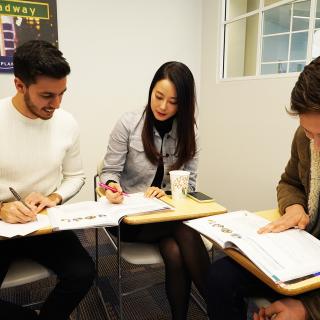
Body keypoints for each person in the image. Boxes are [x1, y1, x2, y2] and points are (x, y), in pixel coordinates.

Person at [205, 57, 320, 320]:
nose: (315, 145)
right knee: (219, 276)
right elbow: (289, 181)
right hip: (301, 253)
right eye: (309, 132)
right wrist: (294, 206)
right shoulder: (305, 138)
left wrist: (308, 308)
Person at [100, 61, 210, 319]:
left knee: (174, 252)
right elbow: (108, 173)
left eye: (172, 101)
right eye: (158, 97)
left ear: (183, 103)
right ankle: (221, 306)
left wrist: (170, 195)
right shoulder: (128, 123)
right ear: (150, 91)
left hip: (166, 217)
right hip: (130, 219)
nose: (162, 107)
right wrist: (112, 188)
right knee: (185, 228)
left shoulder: (189, 132)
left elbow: (190, 186)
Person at [0, 40, 95, 320]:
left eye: (61, 93)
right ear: (19, 85)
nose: (56, 104)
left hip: (43, 223)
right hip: (2, 226)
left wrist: (53, 198)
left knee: (83, 273)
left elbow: (75, 177)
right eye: (46, 96)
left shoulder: (67, 123)